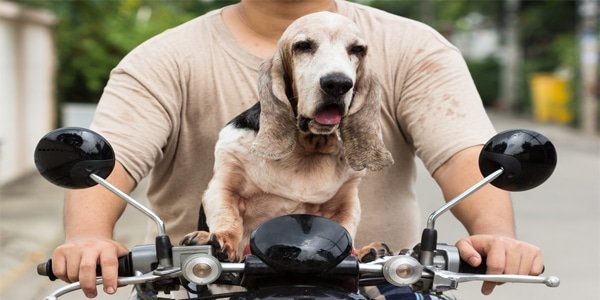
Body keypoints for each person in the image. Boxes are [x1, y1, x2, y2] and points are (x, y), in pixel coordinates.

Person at [50, 0, 545, 298]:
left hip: (379, 287)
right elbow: (108, 158)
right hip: (209, 288)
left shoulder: (415, 47)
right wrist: (89, 236)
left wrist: (495, 233)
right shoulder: (162, 60)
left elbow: (462, 152)